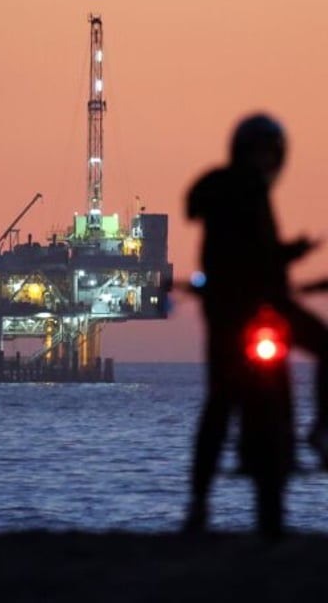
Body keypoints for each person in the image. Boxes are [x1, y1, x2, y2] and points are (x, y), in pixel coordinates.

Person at [183, 113, 328, 532]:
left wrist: (288, 253)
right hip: (256, 307)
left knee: (219, 403)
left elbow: (242, 250)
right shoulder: (252, 191)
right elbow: (259, 257)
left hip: (230, 313)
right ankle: (321, 428)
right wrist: (291, 255)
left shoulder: (216, 186)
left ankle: (198, 503)